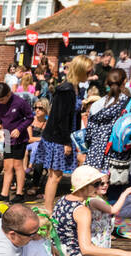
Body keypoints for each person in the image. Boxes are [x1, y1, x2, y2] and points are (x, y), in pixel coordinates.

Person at [52, 165, 131, 256]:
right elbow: (86, 249)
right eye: (96, 184)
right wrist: (121, 252)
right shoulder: (82, 210)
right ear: (84, 186)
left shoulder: (62, 200)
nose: (99, 187)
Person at [34, 56, 92, 212]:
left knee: (56, 175)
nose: (91, 73)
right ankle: (48, 210)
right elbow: (61, 118)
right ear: (80, 71)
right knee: (55, 176)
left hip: (64, 135)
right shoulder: (66, 89)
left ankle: (52, 208)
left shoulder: (75, 88)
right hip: (58, 137)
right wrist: (66, 142)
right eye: (88, 71)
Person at [0, 81, 34, 200]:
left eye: (2, 99)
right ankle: (4, 193)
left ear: (9, 94)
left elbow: (30, 117)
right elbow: (3, 119)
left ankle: (19, 193)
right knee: (7, 166)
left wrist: (20, 129)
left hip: (20, 137)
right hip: (8, 137)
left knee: (18, 165)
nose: (0, 102)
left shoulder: (20, 102)